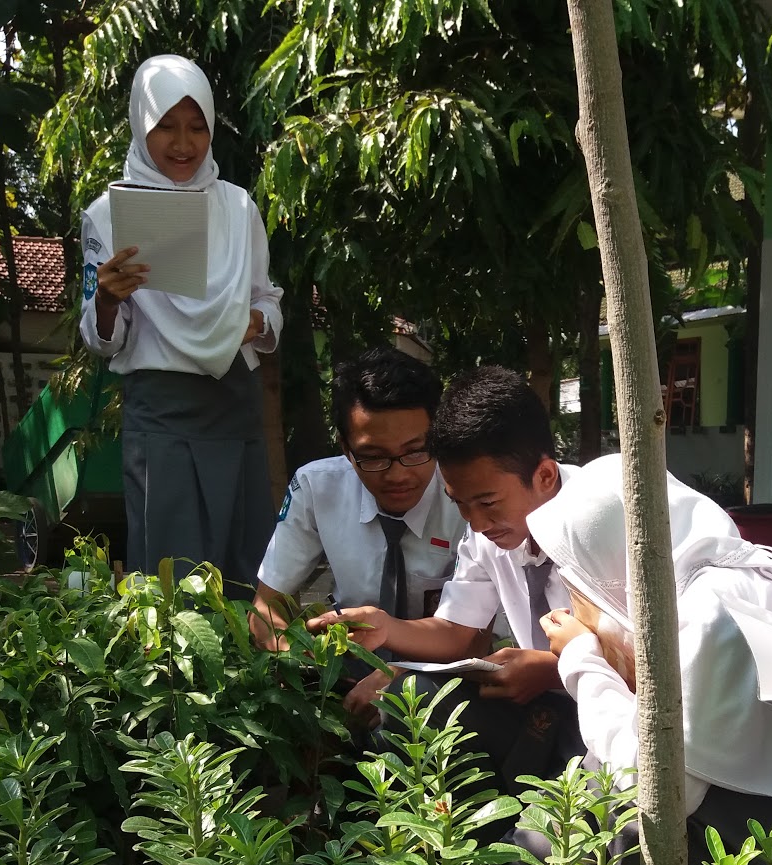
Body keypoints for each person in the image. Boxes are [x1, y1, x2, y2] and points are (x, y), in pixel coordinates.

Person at [528, 454, 772, 865]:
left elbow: (656, 786)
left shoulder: (706, 617)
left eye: (582, 569)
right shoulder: (729, 575)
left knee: (578, 829)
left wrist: (581, 657)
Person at [308, 366, 582, 790]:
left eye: (487, 502)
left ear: (544, 476)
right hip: (543, 707)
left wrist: (553, 670)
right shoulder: (489, 528)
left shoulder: (604, 522)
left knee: (541, 843)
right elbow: (457, 630)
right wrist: (385, 628)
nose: (475, 521)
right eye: (460, 504)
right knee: (408, 696)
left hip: (617, 717)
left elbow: (661, 661)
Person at [79, 54, 284, 598]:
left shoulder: (238, 207)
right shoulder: (107, 214)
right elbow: (104, 339)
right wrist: (105, 298)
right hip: (162, 411)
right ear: (140, 125)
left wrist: (256, 322)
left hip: (233, 402)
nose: (182, 143)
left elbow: (267, 299)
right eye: (165, 125)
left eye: (197, 126)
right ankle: (173, 682)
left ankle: (253, 678)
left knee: (245, 556)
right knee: (172, 567)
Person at [252, 346, 465, 718]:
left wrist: (401, 677)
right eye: (373, 456)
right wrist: (307, 664)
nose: (397, 474)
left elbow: (480, 638)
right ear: (346, 449)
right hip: (347, 669)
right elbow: (266, 608)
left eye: (416, 451)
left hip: (452, 671)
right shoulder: (317, 488)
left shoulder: (469, 494)